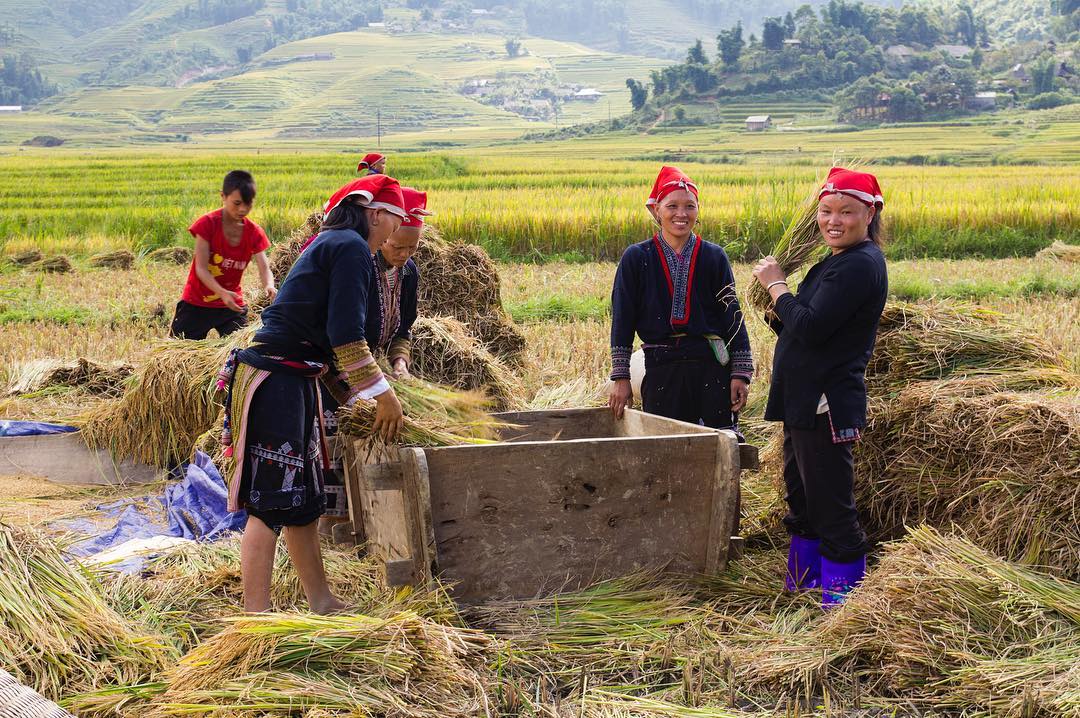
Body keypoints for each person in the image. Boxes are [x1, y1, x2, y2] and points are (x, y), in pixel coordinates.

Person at [217, 173, 407, 614]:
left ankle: (321, 601)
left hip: (296, 378)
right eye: (394, 223)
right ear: (376, 214)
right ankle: (256, 621)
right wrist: (383, 396)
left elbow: (323, 343)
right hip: (275, 382)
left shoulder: (338, 244)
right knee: (269, 504)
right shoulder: (350, 247)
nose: (393, 235)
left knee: (302, 500)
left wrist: (352, 398)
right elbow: (346, 338)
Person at [751, 167, 888, 608]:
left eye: (846, 211)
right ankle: (804, 588)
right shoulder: (833, 263)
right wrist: (779, 311)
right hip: (802, 398)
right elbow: (803, 330)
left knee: (830, 505)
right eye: (826, 211)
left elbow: (809, 328)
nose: (833, 220)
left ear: (869, 213)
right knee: (803, 498)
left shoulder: (859, 265)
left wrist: (775, 286)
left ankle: (841, 608)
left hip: (826, 402)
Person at [609, 166, 752, 430]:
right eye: (672, 206)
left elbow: (732, 316)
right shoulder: (637, 257)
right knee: (669, 451)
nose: (681, 214)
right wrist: (621, 377)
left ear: (698, 212)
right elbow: (622, 319)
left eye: (690, 206)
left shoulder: (714, 256)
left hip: (711, 365)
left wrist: (740, 373)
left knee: (718, 448)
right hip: (661, 367)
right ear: (656, 210)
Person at [170, 170, 276, 340]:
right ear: (223, 196)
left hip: (231, 306)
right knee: (177, 353)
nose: (243, 209)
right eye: (237, 203)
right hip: (197, 303)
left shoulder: (254, 232)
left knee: (240, 350)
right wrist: (222, 292)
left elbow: (264, 268)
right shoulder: (207, 224)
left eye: (248, 203)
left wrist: (269, 285)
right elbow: (201, 269)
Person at [367, 186, 430, 379]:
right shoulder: (362, 268)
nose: (404, 254)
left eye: (412, 247)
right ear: (382, 236)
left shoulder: (409, 272)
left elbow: (403, 330)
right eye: (396, 246)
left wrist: (400, 362)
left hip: (372, 368)